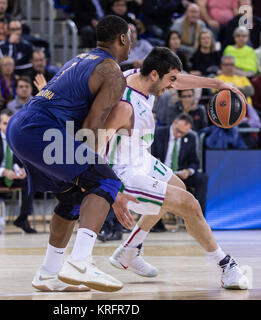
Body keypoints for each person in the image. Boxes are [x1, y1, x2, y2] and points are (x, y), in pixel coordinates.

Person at [35, 48, 249, 291]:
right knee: (188, 204)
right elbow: (94, 149)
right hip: (124, 171)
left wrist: (217, 83)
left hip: (141, 157)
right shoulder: (124, 106)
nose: (173, 86)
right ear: (155, 75)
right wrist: (111, 189)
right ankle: (226, 265)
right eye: (170, 80)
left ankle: (129, 251)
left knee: (176, 187)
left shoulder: (137, 75)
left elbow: (179, 80)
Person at [8, 15, 135, 293]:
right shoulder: (112, 72)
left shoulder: (81, 58)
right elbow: (91, 127)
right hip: (41, 131)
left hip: (21, 128)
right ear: (123, 38)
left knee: (72, 198)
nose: (132, 45)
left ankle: (48, 273)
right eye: (131, 38)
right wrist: (98, 177)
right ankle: (80, 261)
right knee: (106, 181)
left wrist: (83, 177)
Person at [151, 114, 208, 214]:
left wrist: (188, 171)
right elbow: (152, 157)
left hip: (180, 174)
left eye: (183, 133)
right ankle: (156, 223)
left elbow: (194, 162)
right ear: (174, 123)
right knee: (152, 179)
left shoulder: (191, 137)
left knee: (202, 178)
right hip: (161, 173)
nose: (178, 135)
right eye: (177, 131)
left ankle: (197, 216)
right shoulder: (158, 133)